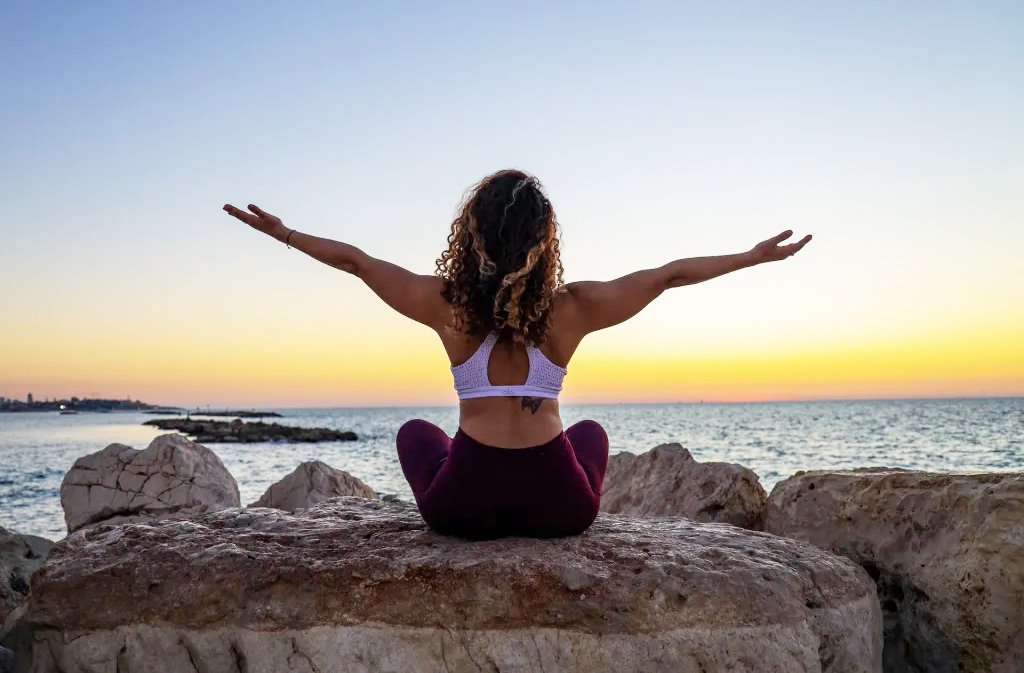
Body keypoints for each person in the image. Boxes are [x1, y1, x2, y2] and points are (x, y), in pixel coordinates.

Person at [224, 168, 811, 539]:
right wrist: (750, 257)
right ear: (544, 242)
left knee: (415, 433)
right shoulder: (574, 308)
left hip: (462, 509)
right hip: (560, 509)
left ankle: (469, 457)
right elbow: (671, 275)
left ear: (470, 235)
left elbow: (357, 261)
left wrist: (285, 234)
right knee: (592, 436)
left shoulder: (446, 305)